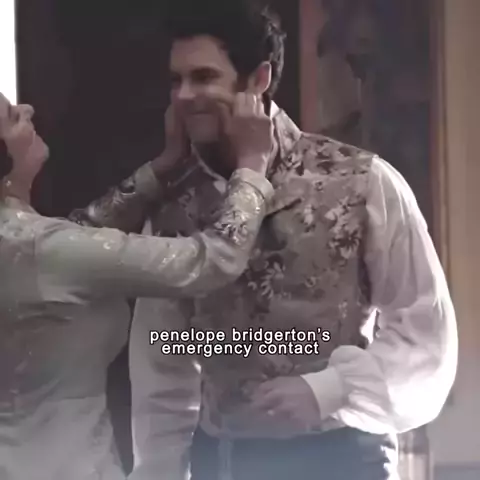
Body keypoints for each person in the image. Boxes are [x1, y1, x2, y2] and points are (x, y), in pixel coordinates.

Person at [73, 1, 458, 479]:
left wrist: (328, 389)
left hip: (343, 461)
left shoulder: (363, 183)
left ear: (258, 79)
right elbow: (163, 373)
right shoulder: (175, 207)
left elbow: (426, 336)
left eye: (203, 77)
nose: (185, 96)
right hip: (222, 463)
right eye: (176, 80)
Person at [0, 90, 274, 480]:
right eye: (12, 117)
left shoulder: (26, 242)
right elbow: (211, 260)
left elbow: (80, 232)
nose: (28, 108)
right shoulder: (42, 249)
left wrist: (163, 167)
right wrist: (252, 167)